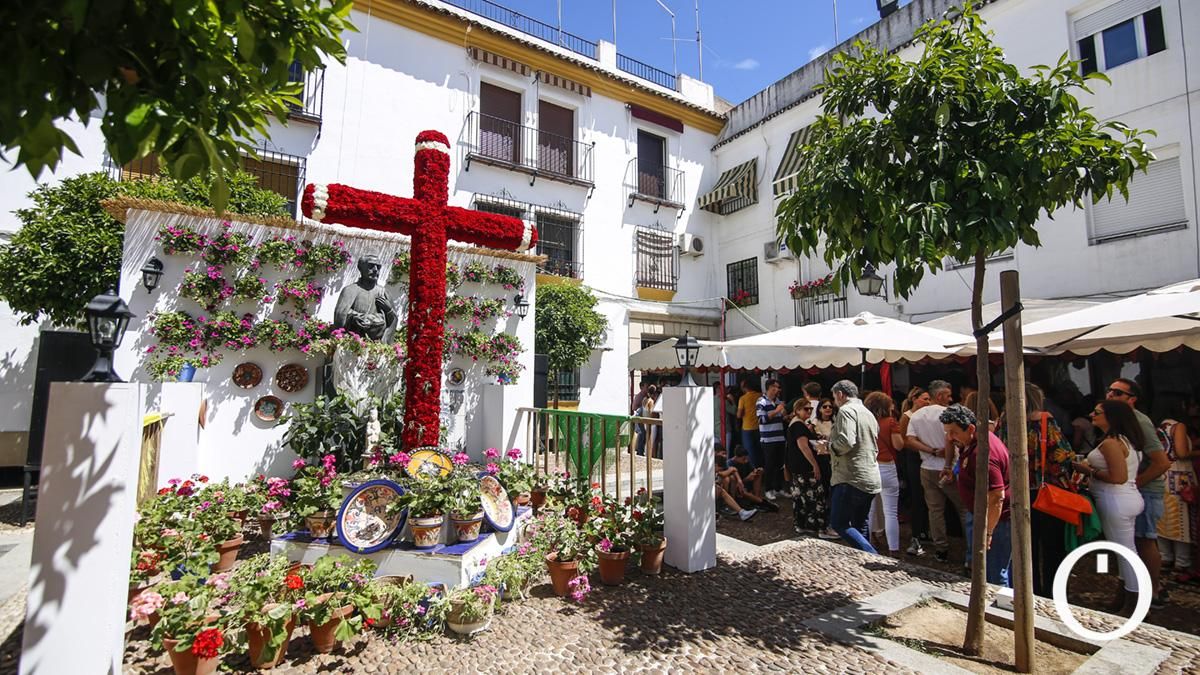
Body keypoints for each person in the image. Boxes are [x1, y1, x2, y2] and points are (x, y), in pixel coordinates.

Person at [1002, 383, 1077, 599]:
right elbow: (1062, 457)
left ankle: (1029, 589)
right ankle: (1055, 591)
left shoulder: (1005, 422)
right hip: (1045, 491)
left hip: (1017, 490)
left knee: (1025, 545)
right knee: (1053, 546)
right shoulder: (1044, 420)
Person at [1074, 400, 1146, 616]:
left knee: (1126, 553)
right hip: (1124, 498)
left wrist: (1088, 471)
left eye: (1097, 412)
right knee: (1123, 551)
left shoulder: (1111, 443)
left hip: (1115, 499)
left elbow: (1118, 477)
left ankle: (1134, 602)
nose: (1092, 414)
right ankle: (1124, 596)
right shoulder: (1124, 440)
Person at [1106, 378, 1170, 606]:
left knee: (1145, 540)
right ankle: (1128, 590)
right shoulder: (1116, 421)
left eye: (1118, 393)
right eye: (1110, 391)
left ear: (1132, 399)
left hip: (1146, 490)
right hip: (1130, 490)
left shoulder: (1139, 422)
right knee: (1128, 542)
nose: (1110, 395)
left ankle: (1153, 590)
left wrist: (1135, 483)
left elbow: (1162, 462)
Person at [942, 404, 1013, 587]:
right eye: (947, 433)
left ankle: (1000, 612)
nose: (950, 438)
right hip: (987, 517)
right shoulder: (974, 443)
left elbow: (997, 495)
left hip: (997, 521)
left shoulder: (984, 453)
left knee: (995, 573)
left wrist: (988, 532)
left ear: (971, 429)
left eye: (954, 432)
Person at [906, 379, 965, 564]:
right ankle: (971, 547)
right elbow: (949, 439)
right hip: (948, 468)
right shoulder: (947, 414)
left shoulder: (916, 415)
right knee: (963, 508)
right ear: (939, 396)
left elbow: (910, 439)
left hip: (927, 467)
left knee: (935, 510)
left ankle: (941, 548)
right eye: (948, 395)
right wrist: (947, 463)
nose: (951, 398)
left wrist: (928, 450)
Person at [828, 380, 881, 554]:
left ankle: (873, 556)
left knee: (839, 523)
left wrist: (828, 447)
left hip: (850, 477)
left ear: (840, 395)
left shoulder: (846, 410)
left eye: (834, 397)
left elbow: (846, 441)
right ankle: (866, 560)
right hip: (870, 476)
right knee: (860, 522)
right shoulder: (867, 412)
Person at [1157, 409, 1195, 582]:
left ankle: (1165, 556)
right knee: (1182, 519)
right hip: (1179, 475)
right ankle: (1182, 561)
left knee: (1163, 518)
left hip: (1162, 474)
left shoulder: (1161, 426)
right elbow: (1182, 453)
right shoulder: (1178, 426)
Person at [866, 392, 903, 557]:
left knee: (870, 510)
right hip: (887, 467)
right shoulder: (891, 422)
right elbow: (899, 445)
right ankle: (893, 549)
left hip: (869, 466)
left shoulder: (864, 422)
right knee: (891, 512)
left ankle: (868, 543)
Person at [899, 387, 932, 556]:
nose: (927, 402)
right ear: (914, 399)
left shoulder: (928, 415)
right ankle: (917, 533)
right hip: (913, 459)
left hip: (927, 458)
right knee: (917, 496)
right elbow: (903, 441)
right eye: (924, 398)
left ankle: (926, 530)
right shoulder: (907, 416)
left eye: (928, 399)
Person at [334, 254, 398, 342]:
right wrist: (356, 317)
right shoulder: (350, 290)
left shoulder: (384, 293)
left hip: (376, 346)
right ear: (361, 268)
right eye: (371, 266)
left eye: (378, 267)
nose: (375, 270)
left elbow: (393, 320)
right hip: (353, 343)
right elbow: (340, 314)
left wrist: (389, 310)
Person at [787, 399, 826, 534]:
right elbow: (803, 447)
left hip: (797, 465)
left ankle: (802, 524)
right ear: (797, 410)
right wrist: (815, 465)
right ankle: (815, 525)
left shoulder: (797, 424)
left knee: (800, 496)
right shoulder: (798, 426)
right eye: (806, 409)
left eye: (810, 409)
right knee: (814, 495)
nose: (809, 411)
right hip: (803, 466)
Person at [757, 379, 788, 499]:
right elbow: (761, 420)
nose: (778, 390)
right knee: (769, 464)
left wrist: (786, 415)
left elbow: (782, 418)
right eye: (776, 387)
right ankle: (768, 489)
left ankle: (778, 488)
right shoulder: (761, 401)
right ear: (769, 388)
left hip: (780, 437)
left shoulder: (778, 401)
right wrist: (776, 411)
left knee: (780, 464)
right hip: (768, 439)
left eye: (779, 387)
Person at [812, 397, 838, 539]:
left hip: (835, 459)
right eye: (825, 406)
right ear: (820, 408)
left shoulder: (836, 423)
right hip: (823, 459)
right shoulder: (815, 423)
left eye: (830, 406)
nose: (828, 409)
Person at [736, 379, 762, 468]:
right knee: (759, 449)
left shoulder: (742, 398)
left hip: (747, 427)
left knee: (749, 451)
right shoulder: (760, 396)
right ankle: (761, 467)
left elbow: (739, 415)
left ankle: (753, 469)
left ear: (745, 388)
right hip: (759, 427)